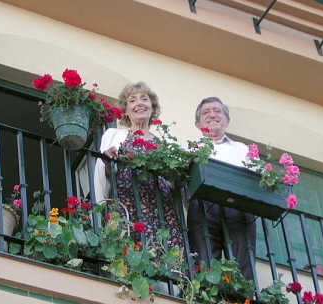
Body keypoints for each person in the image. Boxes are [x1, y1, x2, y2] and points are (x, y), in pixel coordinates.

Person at [94, 81, 183, 249]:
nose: (139, 103)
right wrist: (107, 161)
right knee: (128, 255)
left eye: (144, 99)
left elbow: (174, 184)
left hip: (161, 210)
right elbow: (106, 173)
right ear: (126, 111)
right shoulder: (114, 135)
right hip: (126, 204)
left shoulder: (165, 145)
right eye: (132, 100)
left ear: (152, 107)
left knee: (164, 258)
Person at [187, 97, 256, 281]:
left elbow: (256, 180)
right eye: (206, 112)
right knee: (204, 261)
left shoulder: (242, 149)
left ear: (227, 119)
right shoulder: (189, 149)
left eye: (217, 111)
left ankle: (242, 302)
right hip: (202, 205)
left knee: (242, 263)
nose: (212, 115)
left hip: (238, 206)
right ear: (197, 123)